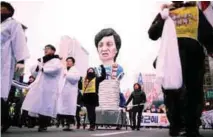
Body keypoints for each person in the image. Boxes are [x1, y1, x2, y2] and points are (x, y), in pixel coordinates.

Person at [148, 1, 213, 137]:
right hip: (183, 55)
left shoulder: (194, 11)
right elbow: (152, 34)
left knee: (181, 92)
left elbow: (153, 34)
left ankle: (182, 126)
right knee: (188, 92)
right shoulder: (171, 12)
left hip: (184, 56)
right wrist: (162, 16)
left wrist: (161, 17)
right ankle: (186, 127)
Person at [1, 1, 30, 133]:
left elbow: (19, 41)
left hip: (4, 63)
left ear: (9, 11)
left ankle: (5, 120)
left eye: (2, 9)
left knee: (1, 93)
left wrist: (21, 60)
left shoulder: (13, 24)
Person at [22, 45, 62, 132]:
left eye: (48, 49)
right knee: (34, 102)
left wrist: (42, 67)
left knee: (46, 106)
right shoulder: (43, 60)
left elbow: (55, 70)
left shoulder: (56, 60)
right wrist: (38, 66)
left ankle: (43, 125)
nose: (45, 50)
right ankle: (31, 121)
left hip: (49, 87)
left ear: (53, 50)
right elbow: (35, 72)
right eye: (45, 49)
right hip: (40, 86)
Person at [57, 57, 80, 131]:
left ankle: (70, 124)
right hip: (63, 93)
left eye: (70, 61)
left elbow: (75, 79)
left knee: (70, 109)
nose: (68, 62)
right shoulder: (64, 70)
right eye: (67, 61)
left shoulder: (75, 70)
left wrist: (67, 75)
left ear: (73, 62)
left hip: (71, 93)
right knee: (64, 109)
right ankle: (66, 124)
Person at [79, 66, 106, 131]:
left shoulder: (96, 79)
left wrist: (103, 69)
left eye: (92, 70)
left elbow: (103, 77)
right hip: (86, 98)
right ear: (87, 72)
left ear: (94, 72)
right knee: (89, 112)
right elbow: (80, 87)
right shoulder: (84, 80)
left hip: (93, 97)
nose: (90, 71)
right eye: (89, 70)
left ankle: (92, 125)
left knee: (92, 112)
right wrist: (79, 80)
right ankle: (91, 125)